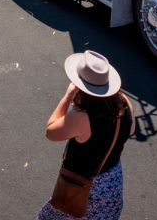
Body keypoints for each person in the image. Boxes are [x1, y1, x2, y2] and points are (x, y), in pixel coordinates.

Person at [39, 51, 135, 220]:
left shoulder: (82, 117)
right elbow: (131, 130)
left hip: (84, 186)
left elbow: (50, 131)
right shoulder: (125, 103)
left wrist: (68, 96)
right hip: (111, 182)